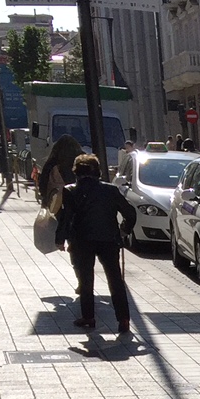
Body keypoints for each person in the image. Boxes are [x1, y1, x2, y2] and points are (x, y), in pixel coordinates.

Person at [56, 153, 136, 333]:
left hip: (82, 240)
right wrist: (124, 230)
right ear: (98, 172)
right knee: (115, 279)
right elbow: (130, 213)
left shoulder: (71, 191)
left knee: (86, 279)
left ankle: (88, 317)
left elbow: (66, 218)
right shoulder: (111, 190)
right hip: (109, 239)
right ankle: (123, 318)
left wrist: (60, 239)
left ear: (76, 172)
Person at [39, 134, 84, 208]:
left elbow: (43, 185)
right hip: (78, 203)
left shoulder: (51, 164)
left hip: (55, 204)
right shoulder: (81, 162)